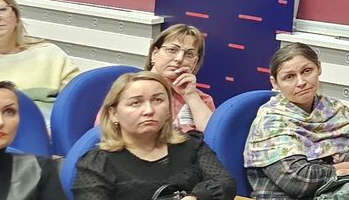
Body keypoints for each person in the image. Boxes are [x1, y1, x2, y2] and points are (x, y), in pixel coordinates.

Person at [243, 43, 349, 200]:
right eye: (289, 77)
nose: (301, 82)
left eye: (307, 71)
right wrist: (344, 170)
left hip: (341, 194)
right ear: (275, 83)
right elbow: (300, 181)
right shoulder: (271, 122)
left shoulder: (334, 109)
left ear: (319, 68)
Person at [70, 71, 234, 200]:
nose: (149, 110)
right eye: (136, 103)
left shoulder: (191, 144)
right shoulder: (97, 164)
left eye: (157, 100)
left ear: (168, 110)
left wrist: (195, 197)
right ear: (114, 114)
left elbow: (225, 183)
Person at [144, 25, 216, 134]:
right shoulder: (130, 89)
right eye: (172, 50)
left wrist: (190, 96)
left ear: (194, 63)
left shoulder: (202, 99)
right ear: (154, 54)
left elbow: (212, 136)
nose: (179, 59)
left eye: (189, 54)